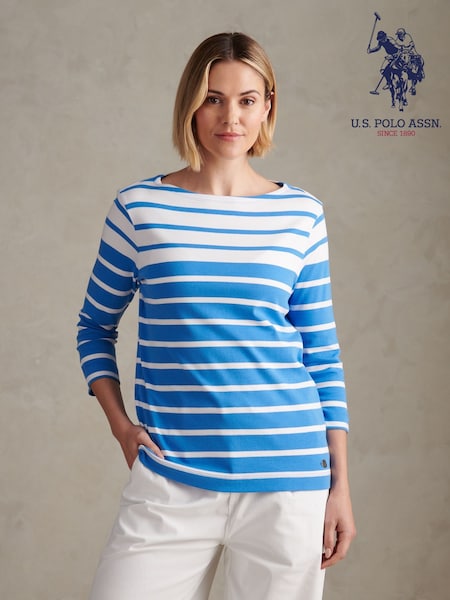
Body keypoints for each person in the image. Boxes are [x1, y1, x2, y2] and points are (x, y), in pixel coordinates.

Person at [77, 31, 356, 600]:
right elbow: (94, 327)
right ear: (191, 105)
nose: (231, 117)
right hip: (171, 477)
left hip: (288, 480)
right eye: (213, 98)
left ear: (267, 106)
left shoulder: (301, 214)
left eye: (247, 100)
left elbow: (322, 356)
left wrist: (340, 488)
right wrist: (121, 426)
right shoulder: (139, 209)